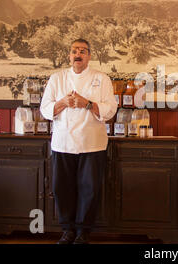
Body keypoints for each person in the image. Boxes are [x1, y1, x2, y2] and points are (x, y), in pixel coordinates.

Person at [40, 38, 117, 244]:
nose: (78, 54)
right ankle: (67, 230)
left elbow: (110, 109)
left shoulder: (102, 79)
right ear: (69, 55)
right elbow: (45, 109)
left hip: (92, 142)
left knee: (89, 188)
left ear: (89, 56)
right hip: (63, 142)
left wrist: (87, 103)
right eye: (74, 50)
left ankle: (83, 232)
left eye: (83, 51)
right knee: (62, 188)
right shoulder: (57, 78)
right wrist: (62, 102)